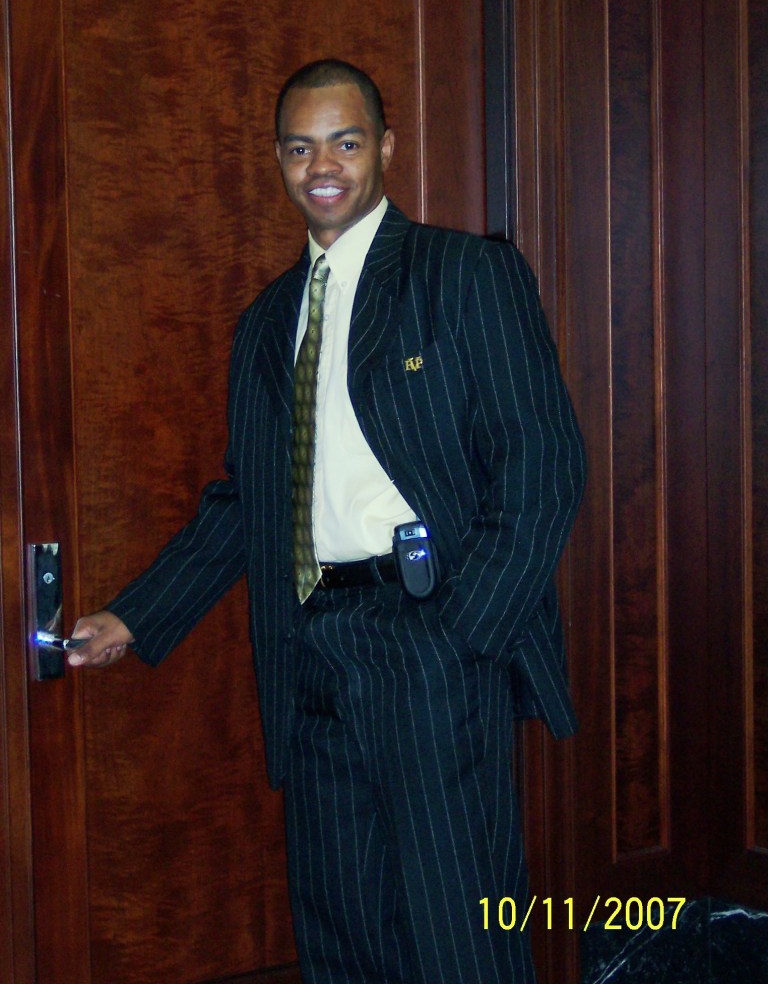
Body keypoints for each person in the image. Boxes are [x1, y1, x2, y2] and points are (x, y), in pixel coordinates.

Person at [70, 58, 586, 984]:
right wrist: (133, 617)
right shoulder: (269, 322)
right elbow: (247, 502)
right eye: (301, 147)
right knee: (343, 937)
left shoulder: (463, 275)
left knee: (461, 934)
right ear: (278, 160)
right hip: (309, 649)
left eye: (345, 142)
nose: (323, 166)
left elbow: (543, 465)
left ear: (384, 148)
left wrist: (465, 638)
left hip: (429, 641)